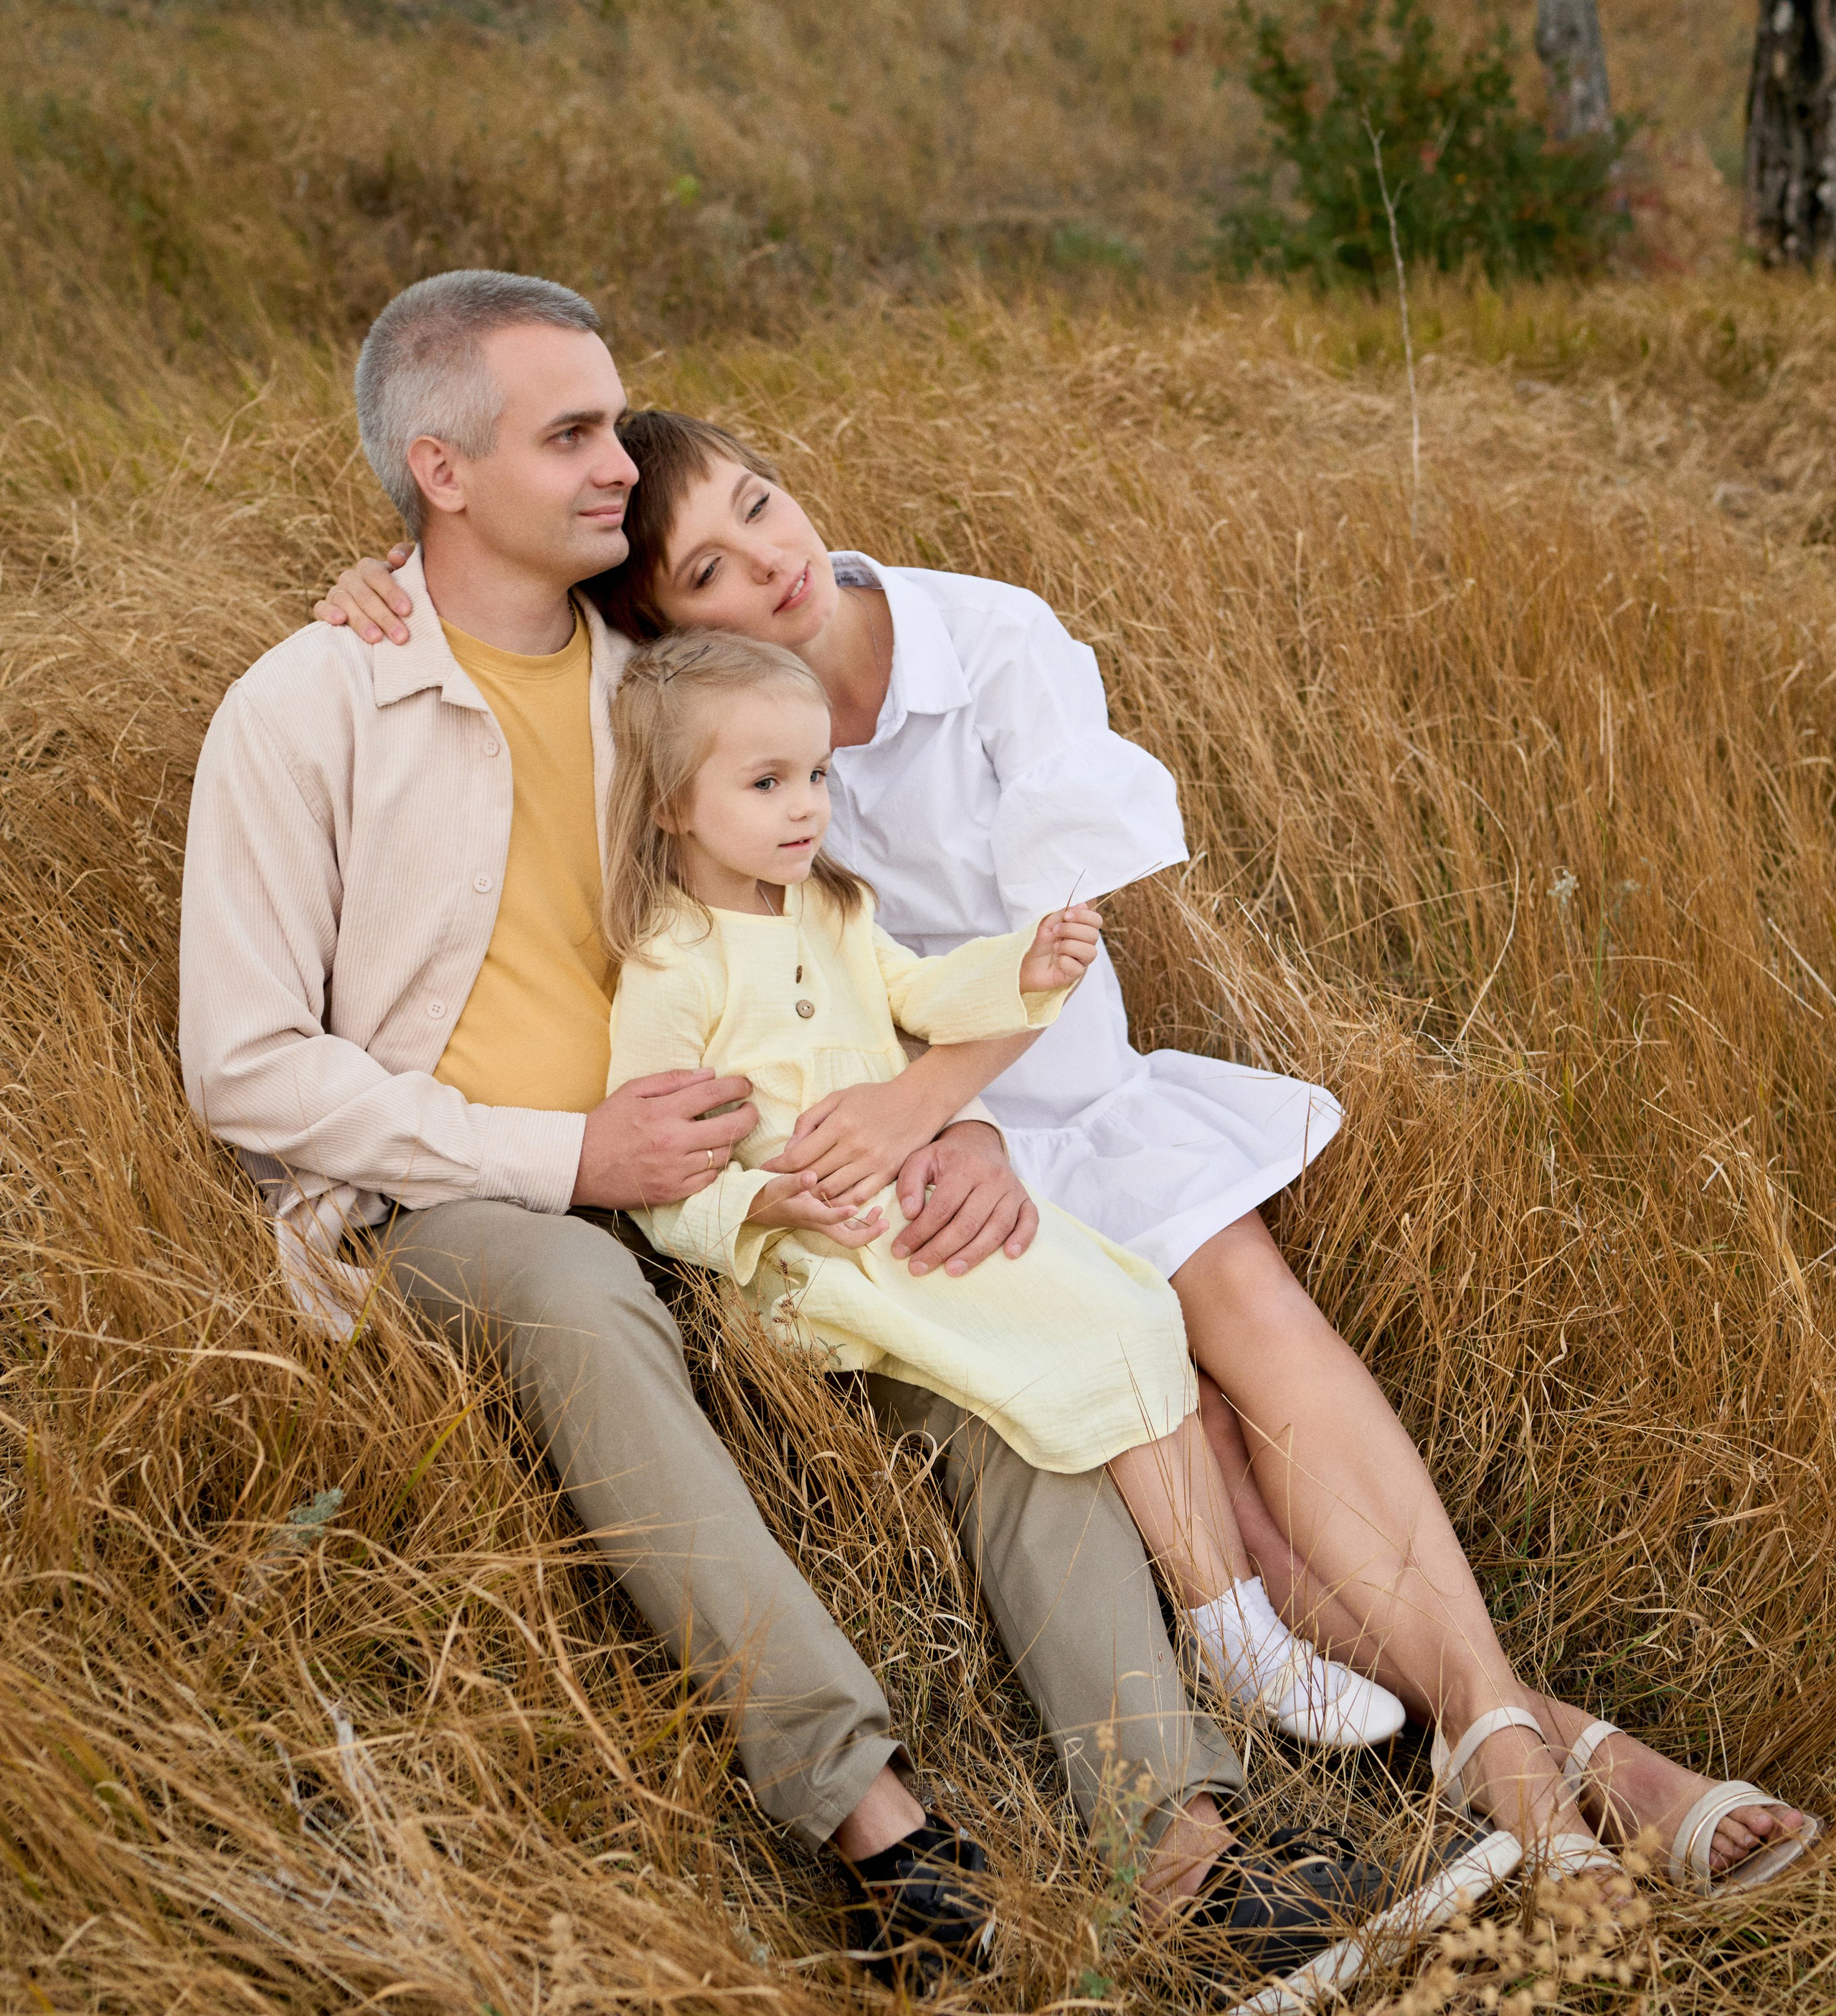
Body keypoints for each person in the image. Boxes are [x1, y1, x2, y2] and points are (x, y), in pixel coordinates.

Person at [181, 265, 1505, 2016]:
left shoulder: (667, 680)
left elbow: (837, 919)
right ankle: (882, 1839)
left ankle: (1184, 1852)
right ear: (440, 470)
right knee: (578, 1300)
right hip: (469, 1194)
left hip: (753, 1174)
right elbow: (246, 1066)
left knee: (991, 1341)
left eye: (614, 423)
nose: (618, 462)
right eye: (571, 434)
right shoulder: (313, 703)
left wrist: (951, 1122)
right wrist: (571, 1159)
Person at [318, 398, 1822, 1902]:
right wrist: (387, 585)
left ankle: (1514, 1752)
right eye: (705, 571)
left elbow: (1055, 935)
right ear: (663, 633)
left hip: (1068, 1098)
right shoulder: (716, 731)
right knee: (1196, 1449)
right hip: (920, 1168)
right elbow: (519, 601)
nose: (768, 562)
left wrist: (942, 1106)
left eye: (760, 505)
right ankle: (1551, 1750)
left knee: (1255, 1321)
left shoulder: (986, 642)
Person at [600, 624, 1411, 1766]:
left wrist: (1020, 967)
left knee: (1139, 1310)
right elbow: (661, 1183)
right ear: (671, 806)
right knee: (1093, 1344)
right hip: (822, 1262)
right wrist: (766, 1208)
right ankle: (1241, 1639)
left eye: (819, 774)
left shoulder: (830, 909)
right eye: (767, 782)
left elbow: (925, 995)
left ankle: (1234, 1631)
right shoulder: (670, 967)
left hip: (910, 1215)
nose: (807, 806)